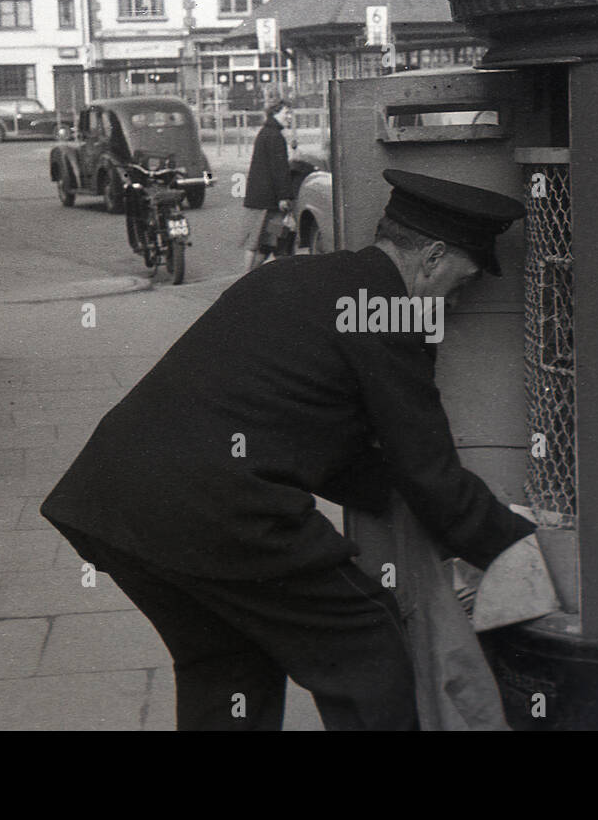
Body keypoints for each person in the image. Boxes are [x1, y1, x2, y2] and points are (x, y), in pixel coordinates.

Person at [40, 169, 538, 731]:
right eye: (461, 282)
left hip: (111, 499)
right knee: (367, 646)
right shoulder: (390, 312)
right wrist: (521, 548)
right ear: (432, 256)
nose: (454, 300)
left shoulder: (294, 278)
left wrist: (388, 493)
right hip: (215, 507)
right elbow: (431, 473)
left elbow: (291, 425)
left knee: (229, 666)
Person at [241, 95, 295, 272]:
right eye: (287, 113)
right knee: (257, 243)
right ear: (275, 112)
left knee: (268, 243)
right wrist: (284, 197)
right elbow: (279, 170)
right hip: (265, 201)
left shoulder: (266, 132)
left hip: (261, 198)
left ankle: (249, 279)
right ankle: (245, 280)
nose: (289, 117)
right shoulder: (274, 136)